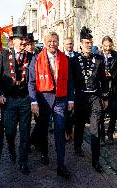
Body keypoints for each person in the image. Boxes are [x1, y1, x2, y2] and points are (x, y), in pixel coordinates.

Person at [28, 32, 74, 178]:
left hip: (60, 99)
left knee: (60, 131)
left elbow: (70, 81)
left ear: (58, 42)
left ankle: (61, 165)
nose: (52, 43)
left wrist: (71, 99)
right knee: (42, 129)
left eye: (55, 41)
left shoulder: (65, 59)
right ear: (45, 42)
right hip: (43, 99)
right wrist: (33, 101)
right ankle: (44, 153)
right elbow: (32, 82)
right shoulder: (36, 59)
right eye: (49, 41)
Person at [0, 26, 33, 175]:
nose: (24, 42)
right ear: (14, 41)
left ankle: (23, 161)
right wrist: (1, 94)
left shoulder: (30, 57)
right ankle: (11, 148)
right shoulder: (4, 55)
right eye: (21, 39)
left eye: (25, 39)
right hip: (10, 100)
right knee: (10, 132)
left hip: (25, 99)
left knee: (25, 132)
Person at [71, 27, 108, 173]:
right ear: (80, 44)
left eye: (90, 42)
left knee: (95, 129)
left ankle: (96, 160)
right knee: (79, 125)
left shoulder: (99, 59)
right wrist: (70, 100)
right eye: (86, 42)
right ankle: (77, 146)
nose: (88, 45)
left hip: (94, 98)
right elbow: (71, 81)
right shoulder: (73, 60)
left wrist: (104, 97)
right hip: (80, 97)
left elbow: (104, 80)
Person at [101, 36, 117, 145]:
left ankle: (110, 132)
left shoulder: (116, 55)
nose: (108, 48)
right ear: (102, 45)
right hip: (101, 88)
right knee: (101, 113)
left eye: (110, 46)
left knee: (114, 111)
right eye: (105, 46)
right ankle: (101, 135)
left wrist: (113, 75)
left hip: (114, 88)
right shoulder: (97, 55)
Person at [64, 37, 78, 142]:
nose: (70, 46)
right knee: (67, 112)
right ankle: (67, 132)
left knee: (75, 112)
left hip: (77, 87)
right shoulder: (61, 56)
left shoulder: (77, 56)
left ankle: (73, 132)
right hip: (65, 87)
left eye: (71, 44)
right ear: (64, 44)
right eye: (68, 44)